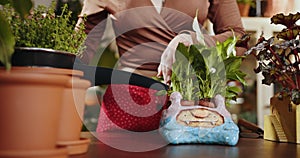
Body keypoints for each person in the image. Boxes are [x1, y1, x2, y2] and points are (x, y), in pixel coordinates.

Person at [76, 0, 247, 132]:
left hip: (188, 103)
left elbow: (239, 39)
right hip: (127, 104)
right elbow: (76, 55)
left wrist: (192, 40)